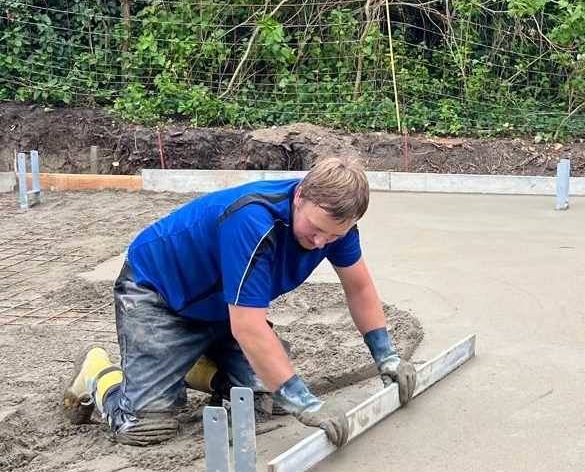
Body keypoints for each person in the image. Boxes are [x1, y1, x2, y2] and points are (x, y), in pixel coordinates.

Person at [61, 156, 417, 447]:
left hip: (221, 308)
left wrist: (387, 357)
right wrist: (305, 402)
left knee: (268, 395)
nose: (322, 241)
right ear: (300, 197)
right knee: (144, 427)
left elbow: (359, 289)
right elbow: (247, 326)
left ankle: (188, 364)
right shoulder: (253, 221)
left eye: (333, 235)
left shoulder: (336, 227)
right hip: (159, 294)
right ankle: (97, 371)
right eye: (316, 228)